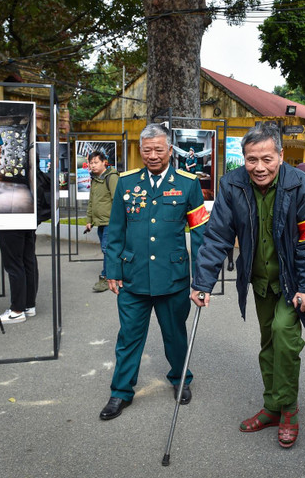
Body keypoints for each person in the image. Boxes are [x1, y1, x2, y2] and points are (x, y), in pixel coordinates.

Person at [190, 121, 305, 449]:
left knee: (284, 335)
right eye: (252, 159)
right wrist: (203, 281)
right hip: (260, 280)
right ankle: (272, 407)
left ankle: (289, 410)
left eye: (267, 159)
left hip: (293, 281)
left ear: (281, 155)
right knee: (268, 342)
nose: (259, 167)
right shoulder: (232, 185)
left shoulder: (300, 185)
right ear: (243, 157)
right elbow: (218, 235)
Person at [98, 124, 208, 421]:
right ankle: (120, 392)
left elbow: (199, 234)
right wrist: (112, 270)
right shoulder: (126, 182)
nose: (153, 155)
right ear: (141, 150)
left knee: (175, 335)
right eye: (147, 150)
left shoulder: (188, 183)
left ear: (170, 151)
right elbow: (116, 230)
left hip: (172, 277)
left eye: (159, 149)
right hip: (133, 276)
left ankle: (181, 378)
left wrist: (202, 280)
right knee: (129, 337)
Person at [0, 161, 51, 325]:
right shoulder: (34, 174)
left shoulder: (17, 177)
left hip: (12, 221)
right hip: (27, 222)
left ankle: (17, 310)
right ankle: (28, 304)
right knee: (28, 261)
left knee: (15, 264)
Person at [84, 151, 118, 293]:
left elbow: (117, 200)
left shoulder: (111, 177)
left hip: (111, 221)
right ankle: (113, 273)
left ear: (104, 162)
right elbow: (92, 201)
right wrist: (89, 220)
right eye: (91, 163)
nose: (93, 165)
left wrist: (118, 221)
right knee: (107, 249)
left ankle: (106, 277)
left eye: (96, 162)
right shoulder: (95, 179)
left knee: (107, 249)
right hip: (101, 222)